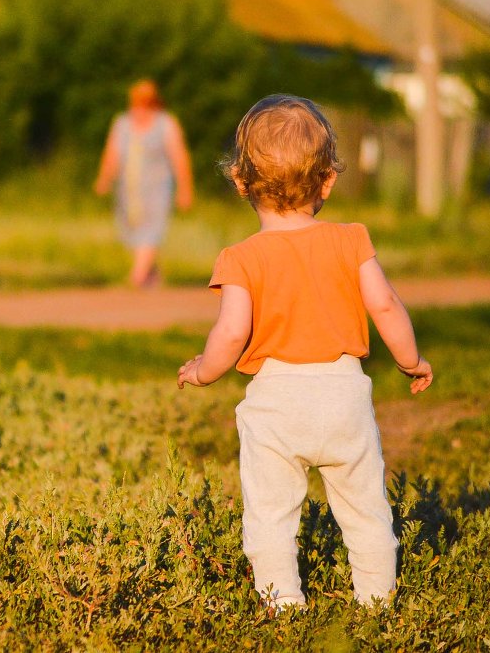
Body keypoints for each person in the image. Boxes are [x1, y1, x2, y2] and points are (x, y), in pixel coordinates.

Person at [176, 94, 433, 611]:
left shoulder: (242, 258)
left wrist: (203, 370)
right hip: (344, 395)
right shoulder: (351, 240)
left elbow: (229, 335)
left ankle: (283, 604)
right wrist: (410, 360)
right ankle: (377, 600)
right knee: (365, 509)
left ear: (240, 183)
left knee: (270, 513)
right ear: (329, 181)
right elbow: (384, 305)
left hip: (276, 401)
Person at [93, 79, 194, 287]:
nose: (139, 108)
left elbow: (179, 157)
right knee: (131, 234)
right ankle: (150, 276)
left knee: (151, 231)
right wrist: (104, 178)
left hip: (157, 190)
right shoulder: (122, 123)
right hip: (128, 190)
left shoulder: (166, 124)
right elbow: (112, 154)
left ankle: (136, 278)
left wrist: (185, 189)